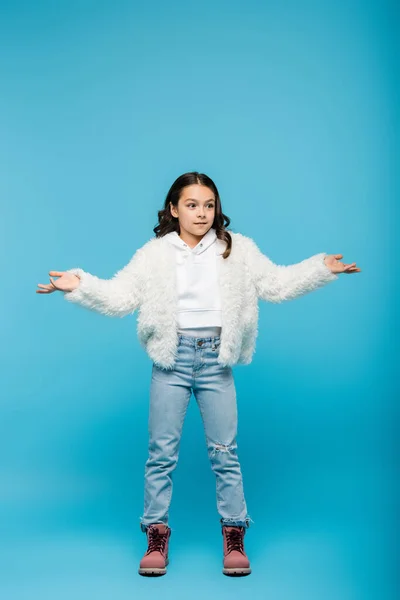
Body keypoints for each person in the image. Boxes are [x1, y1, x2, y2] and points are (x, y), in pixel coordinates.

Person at [36, 171, 361, 577]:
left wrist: (321, 268)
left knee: (225, 453)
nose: (202, 213)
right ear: (174, 209)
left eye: (209, 205)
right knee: (161, 455)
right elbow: (121, 296)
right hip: (170, 362)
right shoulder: (155, 254)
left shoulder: (236, 249)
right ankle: (156, 535)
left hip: (215, 361)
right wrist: (78, 284)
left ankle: (234, 534)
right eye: (192, 205)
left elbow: (275, 284)